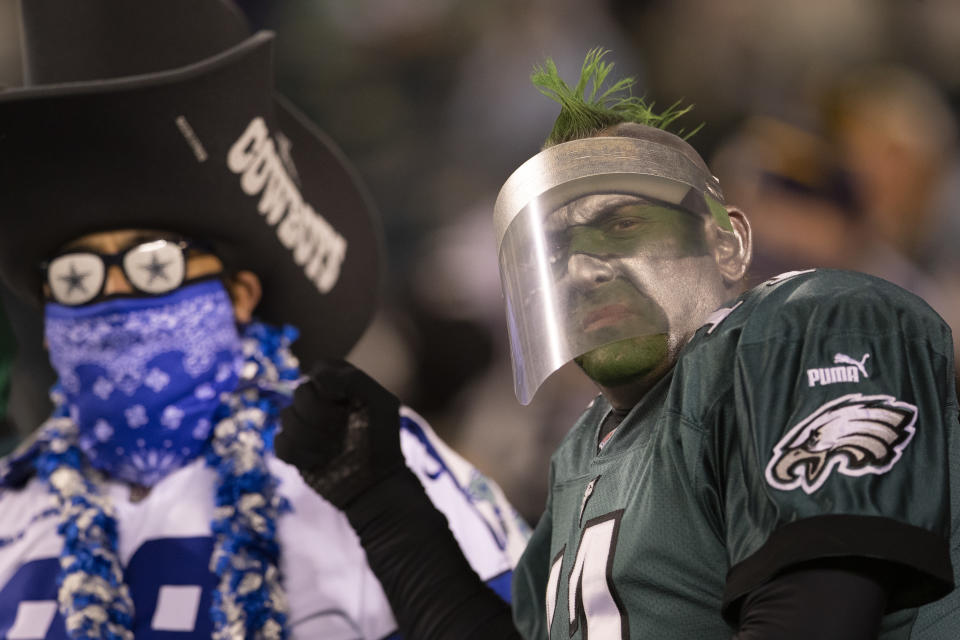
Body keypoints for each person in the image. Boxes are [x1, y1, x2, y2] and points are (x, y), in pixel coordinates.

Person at [275, 49, 960, 638]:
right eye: (556, 250)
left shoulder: (811, 325)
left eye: (623, 224)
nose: (581, 268)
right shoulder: (587, 449)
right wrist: (378, 495)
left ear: (727, 242)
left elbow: (816, 615)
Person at [0, 2, 528, 638]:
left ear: (239, 294)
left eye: (154, 265)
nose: (114, 296)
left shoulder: (372, 468)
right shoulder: (11, 516)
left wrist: (383, 505)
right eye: (77, 276)